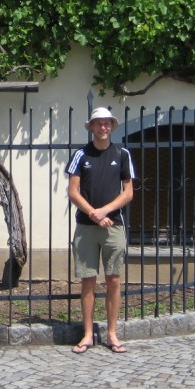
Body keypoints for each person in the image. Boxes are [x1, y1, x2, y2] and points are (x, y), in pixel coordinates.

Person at [66, 106, 135, 353]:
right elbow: (73, 192)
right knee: (88, 280)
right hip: (86, 227)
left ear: (111, 127)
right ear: (92, 127)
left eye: (107, 124)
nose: (103, 127)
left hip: (113, 226)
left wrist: (104, 212)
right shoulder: (80, 155)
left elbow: (128, 193)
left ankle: (112, 334)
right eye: (98, 124)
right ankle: (87, 334)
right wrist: (94, 214)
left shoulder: (122, 154)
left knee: (114, 279)